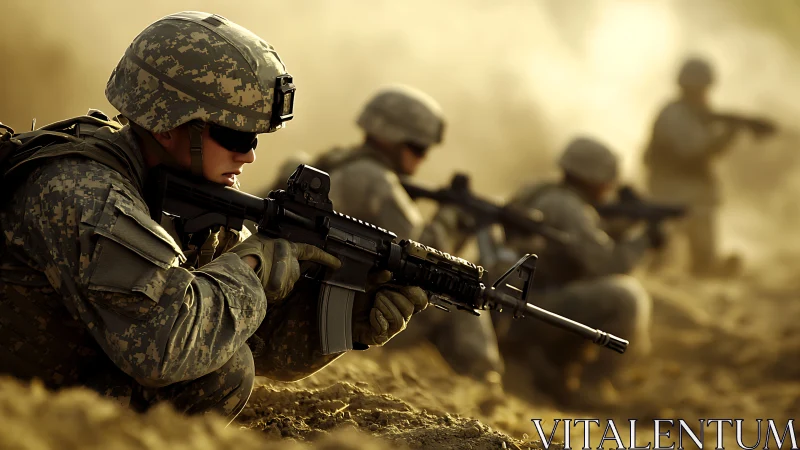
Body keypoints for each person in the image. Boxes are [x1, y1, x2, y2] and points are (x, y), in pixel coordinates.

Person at [0, 11, 427, 425]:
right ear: (168, 124)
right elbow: (166, 344)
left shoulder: (180, 192)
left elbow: (248, 337)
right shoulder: (81, 192)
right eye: (235, 135)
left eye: (255, 137)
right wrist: (251, 265)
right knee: (219, 373)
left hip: (58, 375)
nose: (250, 154)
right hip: (17, 406)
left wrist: (350, 318)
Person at [266, 85, 505, 384]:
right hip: (304, 304)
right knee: (457, 296)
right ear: (392, 138)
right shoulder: (377, 181)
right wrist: (449, 220)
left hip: (281, 282)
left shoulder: (335, 161)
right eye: (418, 148)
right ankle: (487, 383)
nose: (422, 159)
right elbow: (420, 255)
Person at [499, 136, 656, 407]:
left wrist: (619, 228)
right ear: (593, 177)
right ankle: (590, 386)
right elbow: (607, 265)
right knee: (626, 297)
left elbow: (578, 248)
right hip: (530, 309)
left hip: (513, 303)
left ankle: (548, 363)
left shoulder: (540, 191)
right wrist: (644, 240)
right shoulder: (567, 206)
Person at [643, 57, 768, 277]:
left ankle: (703, 266)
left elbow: (706, 151)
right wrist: (730, 131)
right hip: (672, 191)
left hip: (688, 192)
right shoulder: (675, 115)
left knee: (701, 254)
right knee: (665, 255)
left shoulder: (696, 113)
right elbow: (695, 152)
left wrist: (732, 130)